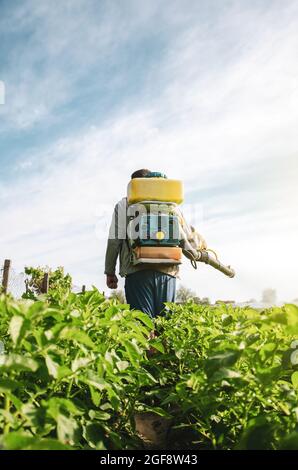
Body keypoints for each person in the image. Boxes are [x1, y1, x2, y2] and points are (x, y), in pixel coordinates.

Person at [104, 169, 202, 318]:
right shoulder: (171, 205)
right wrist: (198, 251)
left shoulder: (124, 205)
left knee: (143, 327)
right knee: (165, 325)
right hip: (167, 270)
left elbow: (114, 241)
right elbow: (188, 238)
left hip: (136, 270)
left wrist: (110, 272)